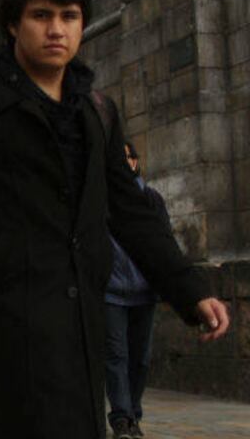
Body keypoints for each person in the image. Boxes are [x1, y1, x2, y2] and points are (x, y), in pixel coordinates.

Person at [0, 0, 229, 437]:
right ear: (13, 24)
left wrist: (190, 290)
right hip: (9, 321)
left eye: (69, 16)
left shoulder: (97, 112)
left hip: (84, 318)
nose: (56, 29)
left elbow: (131, 212)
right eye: (41, 16)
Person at [105, 143, 170, 438]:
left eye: (129, 157)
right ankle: (121, 418)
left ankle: (133, 413)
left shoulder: (150, 199)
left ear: (135, 162)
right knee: (116, 355)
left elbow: (163, 240)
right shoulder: (101, 199)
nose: (125, 162)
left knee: (140, 358)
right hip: (112, 291)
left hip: (144, 290)